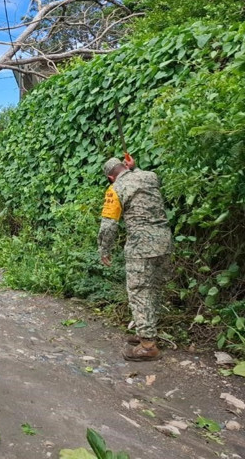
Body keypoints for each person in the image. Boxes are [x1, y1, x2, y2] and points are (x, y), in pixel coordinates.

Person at [98, 155, 172, 362]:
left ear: (111, 177)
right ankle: (145, 331)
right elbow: (139, 175)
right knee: (154, 289)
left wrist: (104, 250)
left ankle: (148, 345)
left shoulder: (115, 189)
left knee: (139, 291)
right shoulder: (150, 176)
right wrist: (135, 168)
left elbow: (109, 225)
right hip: (165, 242)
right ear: (125, 167)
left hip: (141, 246)